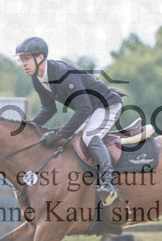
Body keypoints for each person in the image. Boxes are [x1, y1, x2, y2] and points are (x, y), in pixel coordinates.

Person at [15, 36, 123, 205]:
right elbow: (48, 108)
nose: (23, 64)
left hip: (107, 105)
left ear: (40, 57)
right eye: (21, 60)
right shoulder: (37, 79)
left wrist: (61, 134)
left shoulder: (63, 74)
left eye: (27, 59)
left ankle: (110, 185)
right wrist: (30, 126)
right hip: (91, 110)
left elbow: (84, 108)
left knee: (89, 137)